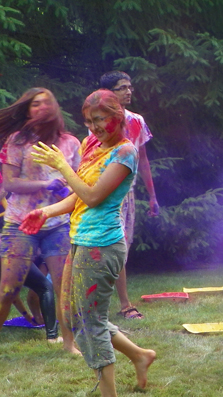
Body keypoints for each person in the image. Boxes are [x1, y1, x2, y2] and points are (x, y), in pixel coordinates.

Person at [20, 89, 156, 396]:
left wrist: (63, 166)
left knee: (89, 322)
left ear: (117, 117)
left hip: (103, 246)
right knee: (71, 316)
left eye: (99, 120)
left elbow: (94, 197)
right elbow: (79, 195)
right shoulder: (91, 144)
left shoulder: (125, 153)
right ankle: (139, 355)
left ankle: (109, 391)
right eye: (88, 121)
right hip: (80, 240)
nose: (93, 127)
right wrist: (46, 211)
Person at [0, 87, 80, 352]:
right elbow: (10, 183)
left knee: (63, 287)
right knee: (9, 289)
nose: (41, 107)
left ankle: (69, 344)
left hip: (56, 224)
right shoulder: (17, 141)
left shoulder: (70, 143)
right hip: (20, 223)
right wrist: (47, 184)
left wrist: (67, 188)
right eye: (35, 104)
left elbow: (77, 182)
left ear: (55, 107)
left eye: (46, 102)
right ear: (27, 110)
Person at [99, 71, 160, 319]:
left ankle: (116, 302)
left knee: (123, 248)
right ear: (108, 93)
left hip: (129, 193)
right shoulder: (100, 121)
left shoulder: (137, 121)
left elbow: (143, 160)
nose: (128, 91)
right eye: (122, 87)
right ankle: (125, 305)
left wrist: (153, 196)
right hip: (108, 192)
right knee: (115, 246)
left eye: (130, 87)